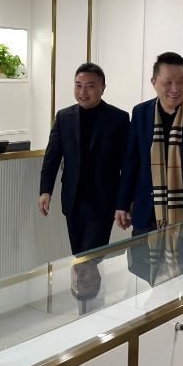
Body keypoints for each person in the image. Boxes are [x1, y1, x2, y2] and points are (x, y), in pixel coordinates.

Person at [115, 52, 183, 236]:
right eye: (168, 82)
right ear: (153, 83)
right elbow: (131, 163)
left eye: (181, 82)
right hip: (147, 213)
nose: (175, 89)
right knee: (142, 256)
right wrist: (122, 203)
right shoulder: (141, 113)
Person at [39, 63, 130, 255]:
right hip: (73, 202)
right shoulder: (64, 117)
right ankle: (86, 277)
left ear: (102, 88)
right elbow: (52, 157)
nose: (83, 92)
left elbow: (127, 165)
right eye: (78, 85)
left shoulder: (118, 118)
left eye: (90, 86)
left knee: (89, 258)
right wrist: (45, 190)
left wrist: (126, 201)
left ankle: (88, 277)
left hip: (103, 203)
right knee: (79, 257)